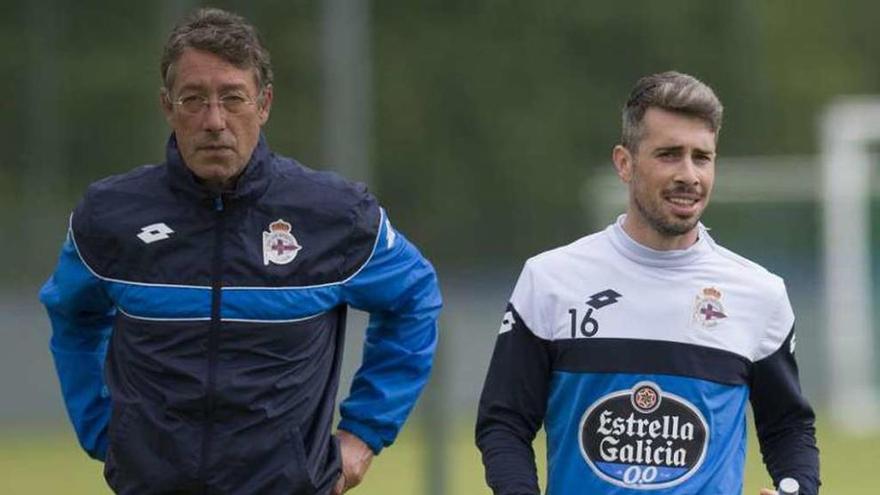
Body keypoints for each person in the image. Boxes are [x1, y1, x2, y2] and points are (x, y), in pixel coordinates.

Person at [39, 8, 441, 495]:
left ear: (264, 103)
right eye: (194, 99)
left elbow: (414, 297)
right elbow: (72, 316)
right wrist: (103, 427)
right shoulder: (109, 216)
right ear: (167, 106)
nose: (214, 121)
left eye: (233, 98)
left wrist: (364, 432)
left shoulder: (336, 215)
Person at [475, 71, 819, 494]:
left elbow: (788, 426)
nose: (689, 175)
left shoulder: (759, 294)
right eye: (669, 155)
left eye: (702, 157)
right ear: (625, 163)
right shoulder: (550, 280)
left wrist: (796, 489)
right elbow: (504, 421)